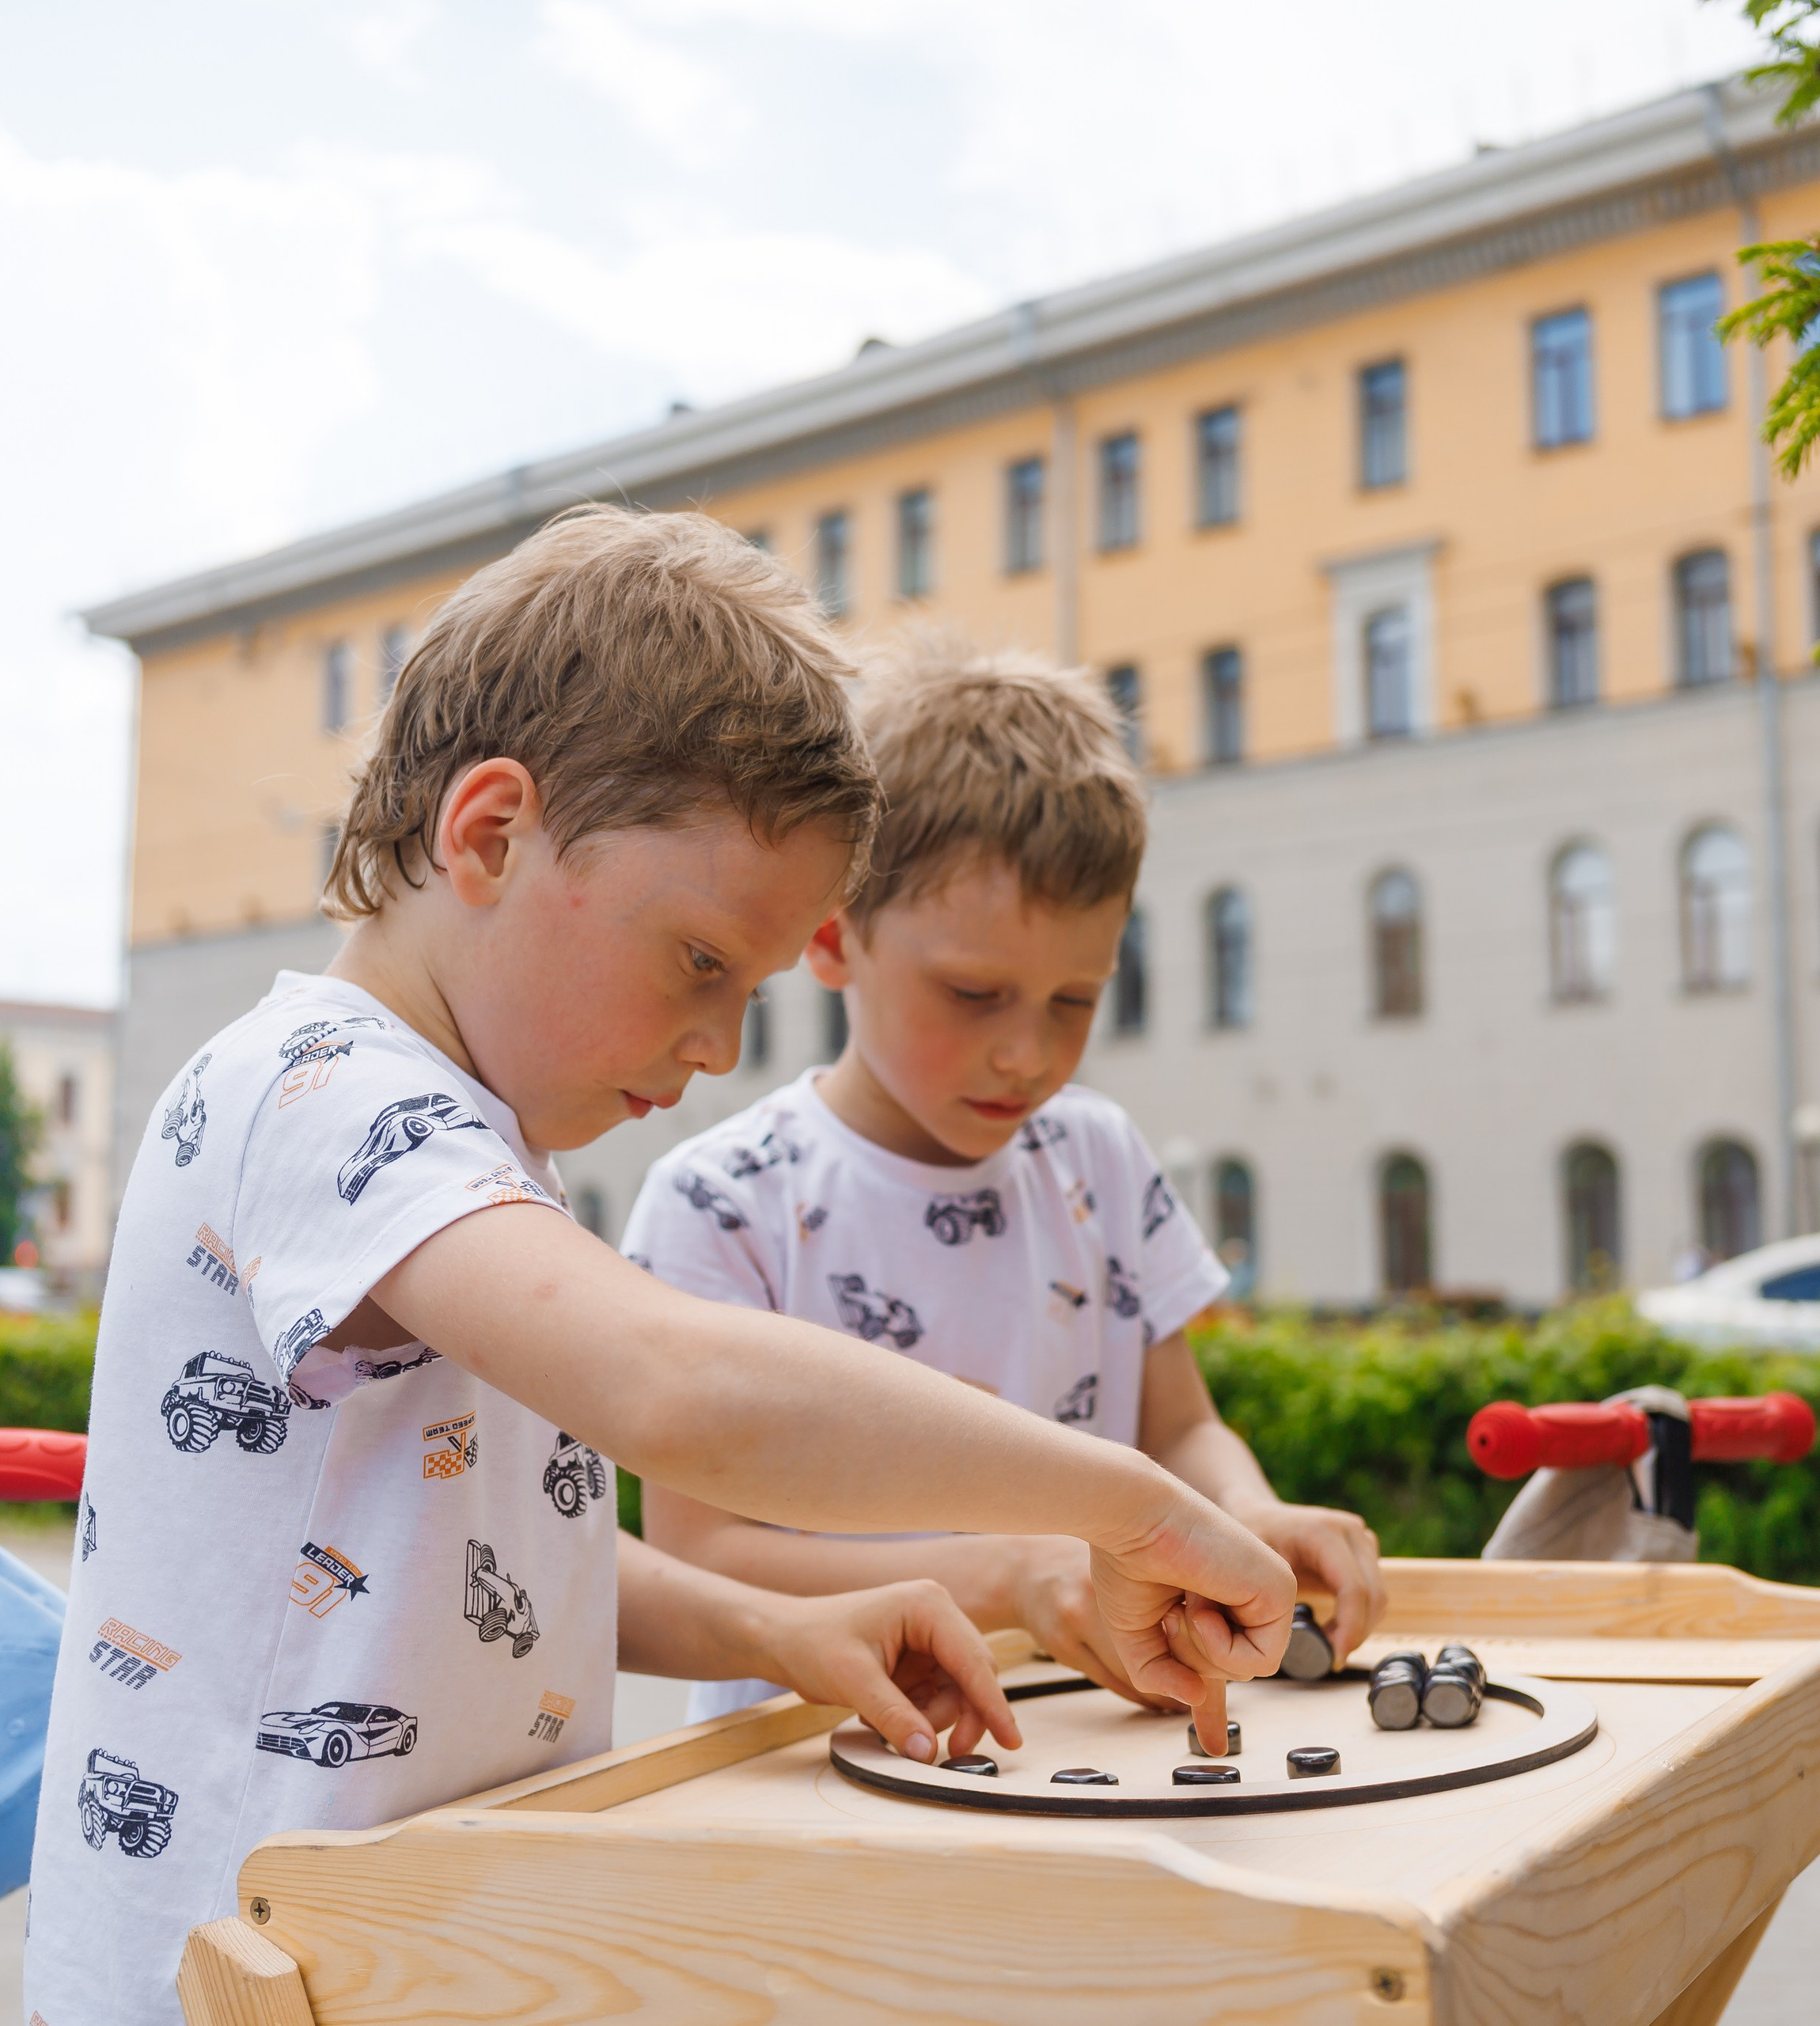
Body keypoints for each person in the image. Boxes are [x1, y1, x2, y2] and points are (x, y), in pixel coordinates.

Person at [26, 512, 1295, 2026]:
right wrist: (1132, 1501)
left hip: (403, 1955)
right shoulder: (324, 1095)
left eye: (754, 989)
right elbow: (674, 1387)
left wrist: (770, 1631)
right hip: (240, 1976)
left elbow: (487, 1545)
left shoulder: (460, 1140)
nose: (721, 1049)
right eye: (702, 962)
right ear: (489, 834)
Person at [625, 645, 1383, 1721]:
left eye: (1076, 1001)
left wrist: (1246, 1511)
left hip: (1093, 1738)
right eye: (975, 994)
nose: (1028, 1054)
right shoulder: (724, 1202)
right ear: (836, 938)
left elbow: (1179, 1432)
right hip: (811, 1775)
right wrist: (1011, 1577)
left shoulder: (1101, 1158)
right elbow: (702, 1552)